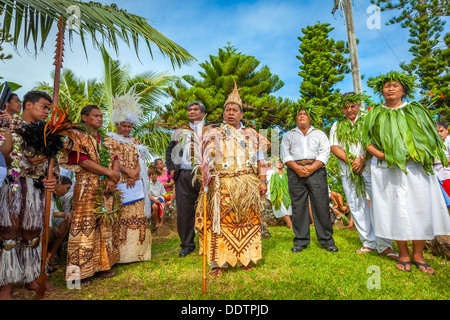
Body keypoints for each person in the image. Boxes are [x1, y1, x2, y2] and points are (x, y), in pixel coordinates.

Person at [364, 71, 450, 275]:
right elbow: (367, 142)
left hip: (415, 167)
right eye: (386, 85)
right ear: (381, 90)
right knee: (395, 209)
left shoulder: (415, 110)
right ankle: (403, 253)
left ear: (403, 90)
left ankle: (418, 255)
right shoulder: (375, 113)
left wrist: (416, 153)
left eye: (395, 85)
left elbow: (429, 137)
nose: (390, 88)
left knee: (418, 208)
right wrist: (383, 155)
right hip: (387, 169)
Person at [195, 81, 270, 277]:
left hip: (247, 185)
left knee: (247, 222)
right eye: (227, 109)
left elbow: (262, 160)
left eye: (235, 110)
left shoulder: (252, 134)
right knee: (219, 224)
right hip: (221, 185)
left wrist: (263, 181)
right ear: (223, 114)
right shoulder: (213, 133)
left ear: (241, 114)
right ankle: (218, 264)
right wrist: (204, 176)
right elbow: (204, 160)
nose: (230, 112)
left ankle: (246, 259)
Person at [0, 91, 57, 300]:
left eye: (48, 108)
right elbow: (4, 156)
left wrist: (54, 178)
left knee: (32, 234)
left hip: (36, 188)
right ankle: (4, 287)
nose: (46, 111)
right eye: (43, 106)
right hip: (13, 185)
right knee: (8, 233)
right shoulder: (9, 123)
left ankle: (31, 277)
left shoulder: (48, 132)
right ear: (29, 105)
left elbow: (54, 164)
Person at [329, 92, 398, 259]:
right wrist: (352, 161)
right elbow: (334, 147)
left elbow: (376, 142)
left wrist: (362, 159)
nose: (350, 109)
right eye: (346, 107)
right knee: (356, 204)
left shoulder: (369, 120)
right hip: (348, 171)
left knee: (378, 204)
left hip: (370, 169)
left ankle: (385, 244)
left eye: (352, 106)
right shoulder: (337, 125)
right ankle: (369, 242)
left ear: (358, 105)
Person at [59, 105, 121, 285]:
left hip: (106, 187)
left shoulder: (106, 139)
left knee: (104, 225)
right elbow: (81, 161)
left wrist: (112, 179)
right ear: (85, 117)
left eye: (102, 116)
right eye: (96, 116)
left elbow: (115, 159)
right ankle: (80, 274)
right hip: (86, 186)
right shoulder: (76, 135)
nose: (100, 118)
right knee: (84, 228)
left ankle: (102, 266)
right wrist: (109, 174)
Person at [281, 105, 338, 253]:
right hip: (295, 171)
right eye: (299, 114)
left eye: (304, 114)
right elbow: (285, 154)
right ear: (296, 118)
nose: (301, 116)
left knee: (321, 205)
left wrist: (312, 168)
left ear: (310, 118)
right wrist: (297, 168)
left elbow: (325, 153)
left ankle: (327, 240)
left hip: (316, 171)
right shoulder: (289, 135)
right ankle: (300, 241)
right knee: (298, 206)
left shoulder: (319, 134)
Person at [105, 89, 152, 264]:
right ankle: (120, 255)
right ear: (117, 124)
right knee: (119, 216)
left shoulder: (136, 142)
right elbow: (111, 160)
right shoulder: (109, 140)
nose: (126, 129)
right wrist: (127, 172)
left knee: (137, 215)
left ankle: (138, 253)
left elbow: (141, 160)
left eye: (129, 126)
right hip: (118, 181)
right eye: (124, 126)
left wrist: (136, 173)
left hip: (135, 182)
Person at [166, 101, 206, 257]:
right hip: (184, 174)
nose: (192, 111)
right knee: (184, 211)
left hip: (205, 175)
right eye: (190, 109)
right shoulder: (180, 131)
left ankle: (209, 242)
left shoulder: (211, 129)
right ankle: (187, 244)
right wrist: (171, 169)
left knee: (208, 208)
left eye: (196, 109)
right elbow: (170, 150)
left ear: (203, 113)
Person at [47, 175, 73, 273]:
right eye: (67, 188)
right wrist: (52, 225)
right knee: (49, 230)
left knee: (66, 222)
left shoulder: (55, 197)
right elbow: (46, 212)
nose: (66, 192)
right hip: (40, 222)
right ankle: (46, 259)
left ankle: (50, 255)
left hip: (50, 219)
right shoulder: (48, 192)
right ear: (60, 184)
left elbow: (54, 212)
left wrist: (67, 214)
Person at [266, 158, 293, 228]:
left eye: (281, 162)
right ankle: (289, 223)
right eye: (278, 162)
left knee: (288, 198)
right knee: (281, 201)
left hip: (287, 191)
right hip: (275, 192)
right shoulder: (270, 173)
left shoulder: (286, 172)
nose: (280, 163)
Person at [434, 122, 450, 197]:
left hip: (447, 176)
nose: (439, 134)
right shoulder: (436, 143)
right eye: (437, 132)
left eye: (441, 131)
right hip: (439, 177)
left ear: (447, 130)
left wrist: (440, 159)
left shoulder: (448, 141)